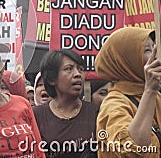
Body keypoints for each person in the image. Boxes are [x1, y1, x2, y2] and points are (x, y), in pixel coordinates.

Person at [95, 27, 161, 157]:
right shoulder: (113, 105)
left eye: (155, 48)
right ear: (126, 61)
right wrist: (150, 90)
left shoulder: (157, 97)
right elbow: (133, 151)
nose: (156, 55)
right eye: (148, 50)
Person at [33, 49, 99, 157]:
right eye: (69, 69)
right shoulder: (36, 116)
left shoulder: (96, 113)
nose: (78, 74)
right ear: (51, 79)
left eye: (80, 69)